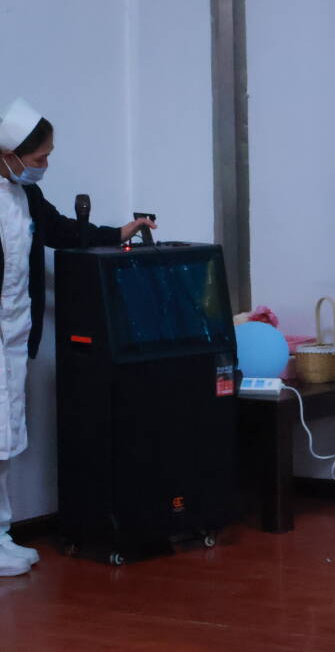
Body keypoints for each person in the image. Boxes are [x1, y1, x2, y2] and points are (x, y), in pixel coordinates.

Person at [0, 98, 156, 578]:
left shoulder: (25, 196)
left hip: (13, 336)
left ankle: (1, 534)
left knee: (4, 437)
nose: (44, 166)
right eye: (40, 157)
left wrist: (119, 232)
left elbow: (63, 232)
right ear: (9, 154)